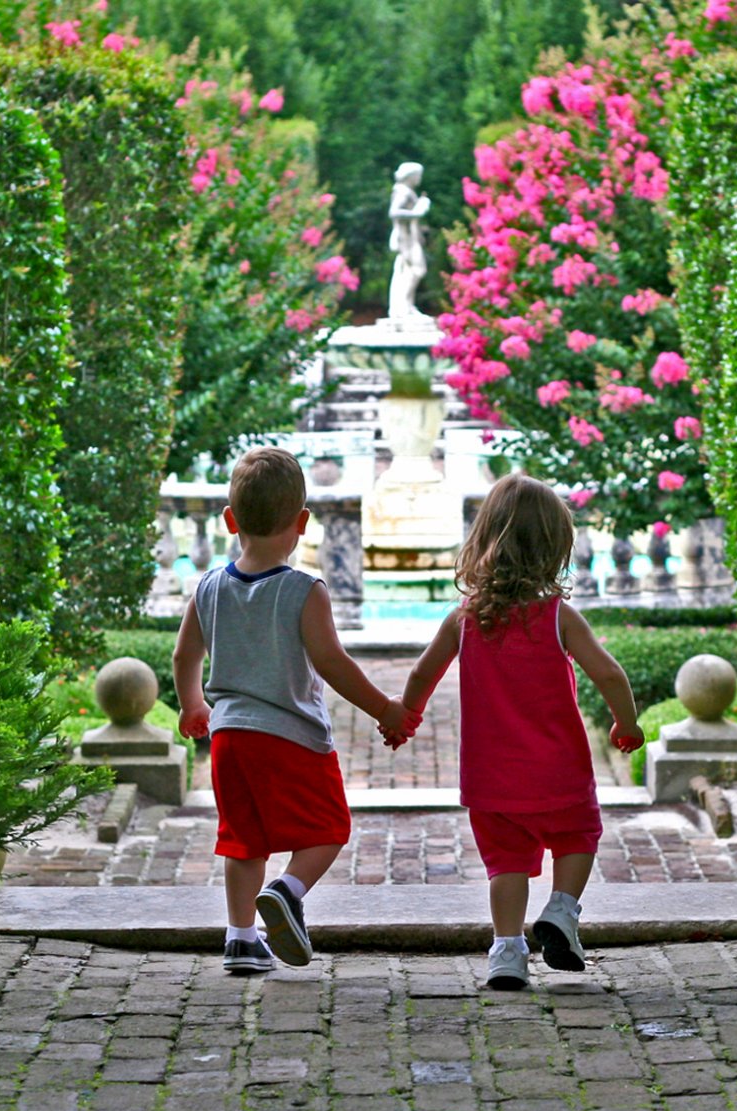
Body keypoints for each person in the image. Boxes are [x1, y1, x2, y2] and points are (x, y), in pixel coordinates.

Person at [174, 447, 421, 975]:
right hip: (290, 737)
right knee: (329, 828)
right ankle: (287, 891)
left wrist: (193, 703)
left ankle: (240, 939)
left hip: (229, 738)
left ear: (229, 520)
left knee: (242, 841)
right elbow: (332, 662)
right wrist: (386, 709)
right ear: (303, 523)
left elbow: (184, 654)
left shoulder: (208, 587)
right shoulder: (303, 590)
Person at [393, 473, 643, 990]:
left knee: (505, 864)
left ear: (483, 541)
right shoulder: (559, 616)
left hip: (490, 779)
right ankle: (561, 909)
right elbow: (610, 674)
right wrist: (625, 721)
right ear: (554, 549)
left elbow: (421, 674)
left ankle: (507, 952)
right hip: (559, 771)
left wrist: (406, 717)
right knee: (578, 836)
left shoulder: (464, 618)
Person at [386, 161, 431, 323]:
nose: (419, 178)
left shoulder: (406, 191)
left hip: (410, 237)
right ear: (411, 176)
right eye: (418, 175)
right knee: (417, 269)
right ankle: (403, 307)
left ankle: (405, 307)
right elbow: (394, 212)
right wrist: (418, 212)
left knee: (406, 270)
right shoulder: (403, 192)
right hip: (406, 238)